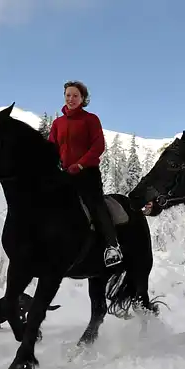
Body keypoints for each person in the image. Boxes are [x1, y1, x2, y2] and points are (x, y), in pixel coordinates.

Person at [48, 80, 122, 267]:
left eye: (75, 95)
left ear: (83, 98)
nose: (71, 99)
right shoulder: (58, 123)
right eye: (68, 95)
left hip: (87, 173)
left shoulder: (90, 119)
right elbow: (51, 148)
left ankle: (112, 246)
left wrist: (80, 165)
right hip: (64, 174)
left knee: (95, 204)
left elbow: (98, 146)